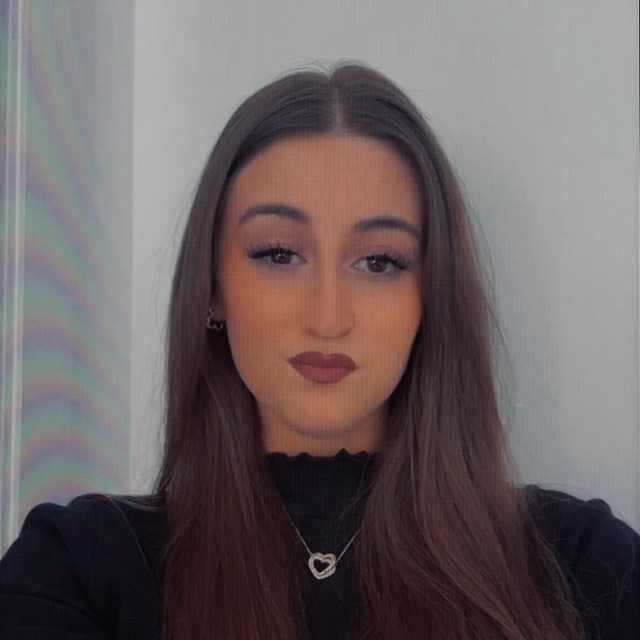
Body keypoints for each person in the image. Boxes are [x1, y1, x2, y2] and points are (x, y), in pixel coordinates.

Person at [1, 60, 638, 640]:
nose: (328, 318)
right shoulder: (74, 572)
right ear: (212, 288)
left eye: (379, 262)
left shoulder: (583, 565)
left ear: (431, 297)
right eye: (279, 254)